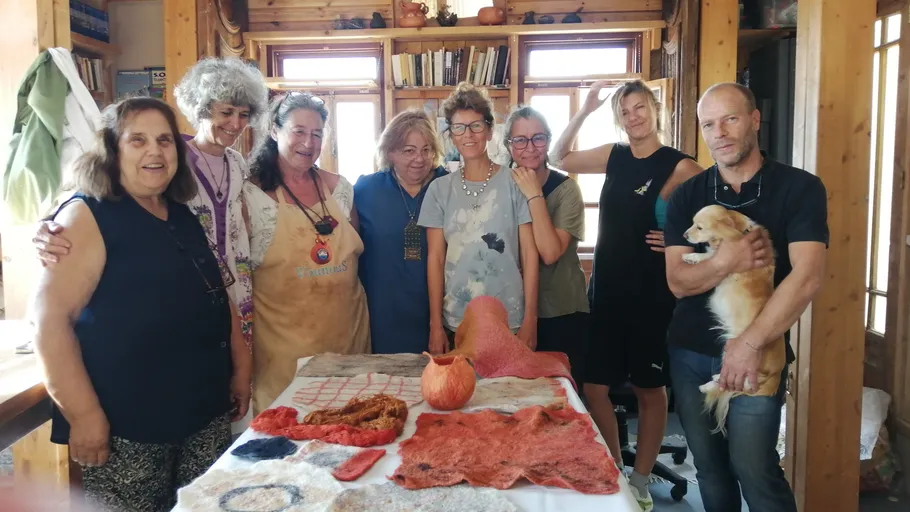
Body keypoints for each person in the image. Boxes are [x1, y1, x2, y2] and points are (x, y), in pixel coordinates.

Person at [29, 98, 247, 511]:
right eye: (138, 140)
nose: (155, 151)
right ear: (112, 150)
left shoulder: (179, 213)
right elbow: (48, 321)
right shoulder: (86, 215)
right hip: (128, 425)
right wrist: (84, 415)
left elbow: (218, 296)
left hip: (203, 411)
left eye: (164, 140)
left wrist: (240, 370)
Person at [663, 83, 827, 512]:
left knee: (755, 469)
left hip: (760, 350)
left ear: (754, 120)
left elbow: (808, 276)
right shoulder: (687, 195)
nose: (719, 133)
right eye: (708, 125)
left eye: (730, 119)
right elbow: (678, 281)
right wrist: (727, 260)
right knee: (710, 469)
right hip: (689, 353)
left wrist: (749, 344)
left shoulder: (799, 188)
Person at [32, 56, 269, 348]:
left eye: (244, 114)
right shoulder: (169, 158)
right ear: (202, 108)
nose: (236, 123)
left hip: (236, 285)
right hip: (184, 284)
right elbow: (95, 190)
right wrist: (48, 225)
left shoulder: (238, 162)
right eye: (226, 112)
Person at [549, 79, 703, 511]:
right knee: (594, 386)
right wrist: (586, 108)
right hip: (606, 292)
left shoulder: (679, 166)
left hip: (651, 298)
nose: (633, 117)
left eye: (640, 108)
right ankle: (616, 468)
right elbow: (560, 156)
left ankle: (640, 480)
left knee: (648, 388)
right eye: (625, 111)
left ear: (654, 110)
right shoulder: (615, 156)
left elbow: (720, 216)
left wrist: (684, 242)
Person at [244, 91, 370, 413]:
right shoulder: (252, 194)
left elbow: (355, 254)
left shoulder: (340, 189)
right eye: (298, 131)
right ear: (275, 130)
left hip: (347, 342)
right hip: (284, 355)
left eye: (316, 134)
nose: (308, 142)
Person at [418, 82, 539, 354]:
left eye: (476, 126)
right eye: (459, 128)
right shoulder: (439, 190)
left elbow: (529, 254)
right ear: (451, 135)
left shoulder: (515, 182)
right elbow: (435, 259)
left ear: (490, 130)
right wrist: (435, 325)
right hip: (457, 319)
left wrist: (531, 319)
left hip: (510, 317)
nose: (468, 135)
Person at [505, 105, 588, 385]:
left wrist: (533, 195)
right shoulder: (501, 187)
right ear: (509, 146)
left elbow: (550, 253)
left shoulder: (566, 190)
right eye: (520, 140)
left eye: (538, 138)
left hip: (560, 312)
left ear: (549, 141)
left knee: (560, 394)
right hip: (511, 311)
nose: (530, 148)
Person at [354, 109, 448, 354]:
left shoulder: (447, 186)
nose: (419, 159)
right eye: (409, 151)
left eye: (426, 150)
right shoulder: (365, 190)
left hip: (439, 315)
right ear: (390, 152)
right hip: (382, 315)